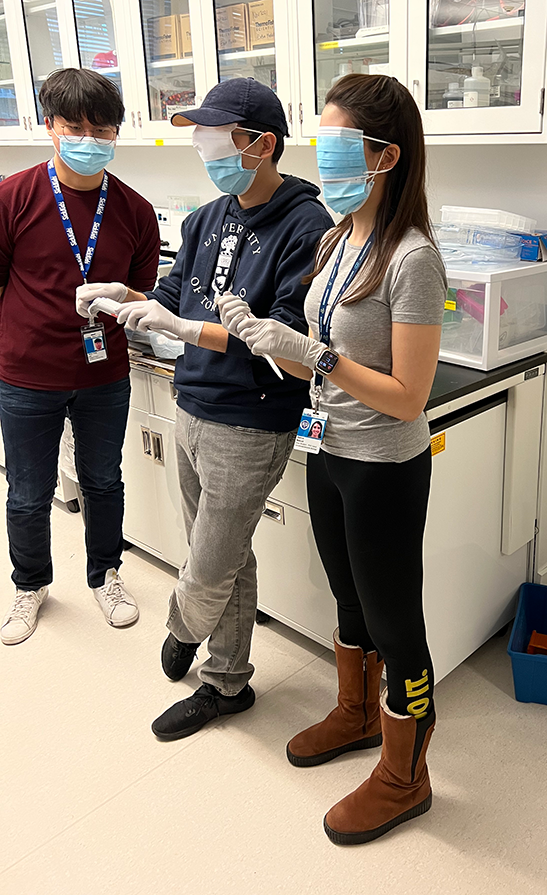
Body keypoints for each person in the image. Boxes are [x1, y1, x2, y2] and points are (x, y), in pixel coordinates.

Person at [218, 74, 446, 845]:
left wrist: (313, 355)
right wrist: (261, 336)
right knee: (347, 599)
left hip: (383, 462)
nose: (325, 156)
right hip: (328, 448)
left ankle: (404, 775)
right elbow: (310, 343)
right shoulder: (332, 237)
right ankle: (355, 714)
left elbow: (408, 396)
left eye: (340, 145)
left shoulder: (412, 257)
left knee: (395, 621)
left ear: (385, 156)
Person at [77, 78, 333, 740]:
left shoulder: (307, 227)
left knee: (210, 561)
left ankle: (182, 626)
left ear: (261, 144)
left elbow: (281, 339)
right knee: (221, 551)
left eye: (218, 134)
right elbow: (168, 293)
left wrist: (187, 329)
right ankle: (227, 681)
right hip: (192, 402)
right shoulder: (208, 217)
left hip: (250, 419)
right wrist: (122, 292)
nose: (204, 145)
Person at [0, 68, 160, 645]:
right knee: (28, 490)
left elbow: (149, 293)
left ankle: (106, 574)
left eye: (103, 129)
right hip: (26, 374)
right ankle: (30, 584)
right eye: (75, 127)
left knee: (103, 481)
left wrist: (127, 298)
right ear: (50, 127)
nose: (89, 140)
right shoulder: (12, 197)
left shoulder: (135, 211)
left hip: (104, 373)